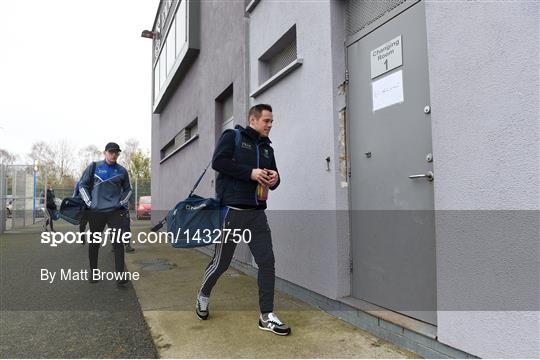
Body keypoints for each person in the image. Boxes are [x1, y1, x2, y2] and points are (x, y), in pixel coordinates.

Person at [196, 104, 290, 336]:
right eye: (266, 120)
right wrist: (250, 173)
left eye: (271, 121)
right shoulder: (233, 136)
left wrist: (275, 178)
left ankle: (266, 316)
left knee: (267, 262)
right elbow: (219, 162)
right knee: (221, 263)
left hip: (257, 215)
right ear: (253, 119)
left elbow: (274, 181)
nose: (270, 125)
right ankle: (203, 295)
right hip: (232, 212)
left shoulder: (267, 148)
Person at [79, 142, 132, 286]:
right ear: (105, 153)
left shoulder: (122, 171)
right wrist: (89, 203)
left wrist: (121, 202)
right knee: (95, 242)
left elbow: (128, 190)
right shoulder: (94, 167)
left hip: (115, 212)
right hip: (96, 212)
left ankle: (120, 275)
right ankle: (93, 272)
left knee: (118, 243)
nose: (114, 154)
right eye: (111, 152)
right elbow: (82, 185)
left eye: (116, 152)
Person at [73, 180, 89, 245]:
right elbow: (75, 193)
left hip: (91, 206)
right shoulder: (79, 182)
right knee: (82, 224)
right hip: (83, 206)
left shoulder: (95, 181)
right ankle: (82, 237)